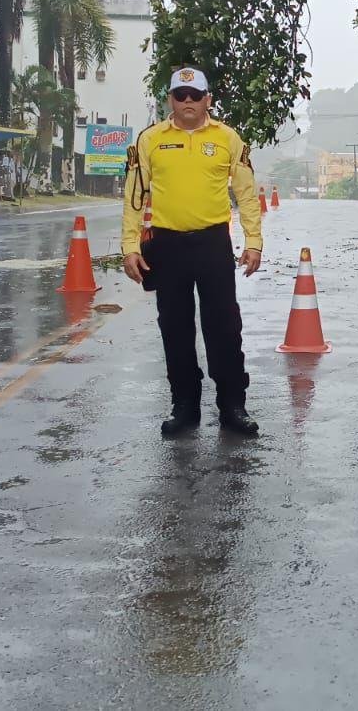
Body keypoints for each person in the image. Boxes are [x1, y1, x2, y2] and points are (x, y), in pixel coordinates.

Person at [121, 66, 264, 437]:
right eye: (180, 95)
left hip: (213, 243)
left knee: (224, 327)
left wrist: (253, 242)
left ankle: (233, 405)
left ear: (207, 100)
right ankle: (185, 405)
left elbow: (247, 194)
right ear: (170, 99)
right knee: (175, 329)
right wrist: (130, 247)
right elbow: (134, 196)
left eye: (195, 95)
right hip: (167, 246)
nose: (188, 102)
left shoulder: (228, 139)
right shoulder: (149, 140)